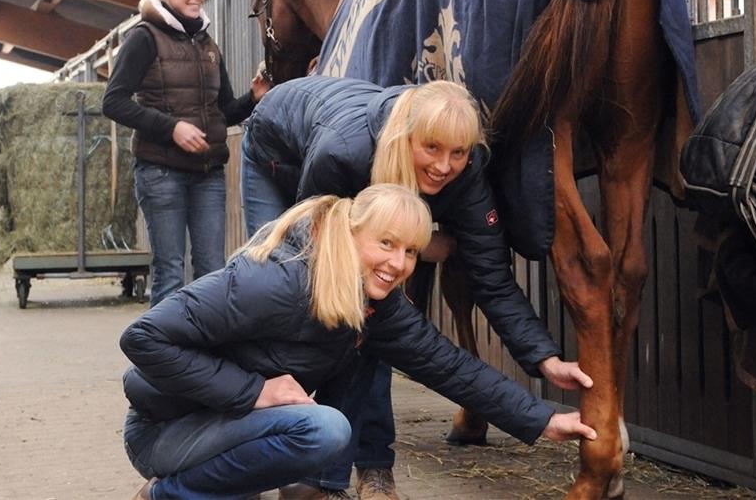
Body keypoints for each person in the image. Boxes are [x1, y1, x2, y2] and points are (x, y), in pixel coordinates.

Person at [121, 184, 596, 500]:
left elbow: (447, 365)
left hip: (226, 426)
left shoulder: (372, 301)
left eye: (412, 251)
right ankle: (166, 496)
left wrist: (541, 417)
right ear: (350, 234)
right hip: (164, 428)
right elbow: (144, 337)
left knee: (320, 428)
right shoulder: (277, 281)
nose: (400, 262)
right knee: (324, 430)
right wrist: (256, 392)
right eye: (386, 243)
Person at [241, 76, 593, 500]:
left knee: (369, 316)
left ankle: (342, 476)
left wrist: (544, 357)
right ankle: (251, 458)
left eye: (458, 152)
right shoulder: (343, 153)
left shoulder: (466, 176)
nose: (444, 165)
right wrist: (418, 246)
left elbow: (492, 278)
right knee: (304, 295)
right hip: (278, 155)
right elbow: (318, 255)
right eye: (433, 148)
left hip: (364, 176)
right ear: (407, 137)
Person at [103, 0, 270, 306]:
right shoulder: (143, 38)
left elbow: (222, 112)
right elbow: (114, 102)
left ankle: (204, 352)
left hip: (207, 172)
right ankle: (159, 356)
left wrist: (253, 98)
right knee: (170, 269)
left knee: (211, 269)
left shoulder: (207, 44)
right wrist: (172, 128)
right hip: (161, 171)